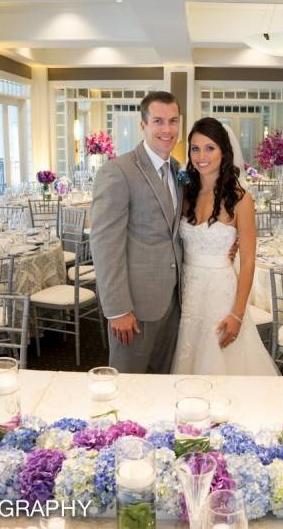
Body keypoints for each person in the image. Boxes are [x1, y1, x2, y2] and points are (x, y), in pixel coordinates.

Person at [171, 117, 278, 376]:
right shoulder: (185, 193)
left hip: (221, 294)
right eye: (195, 148)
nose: (201, 156)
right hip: (189, 294)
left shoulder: (242, 200)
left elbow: (250, 260)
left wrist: (238, 314)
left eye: (209, 148)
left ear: (224, 152)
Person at [90, 91, 183, 373]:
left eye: (173, 121)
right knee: (127, 386)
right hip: (134, 307)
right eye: (158, 121)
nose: (167, 129)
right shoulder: (118, 171)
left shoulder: (178, 170)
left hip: (173, 301)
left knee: (163, 384)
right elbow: (105, 243)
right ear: (143, 126)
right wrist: (118, 308)